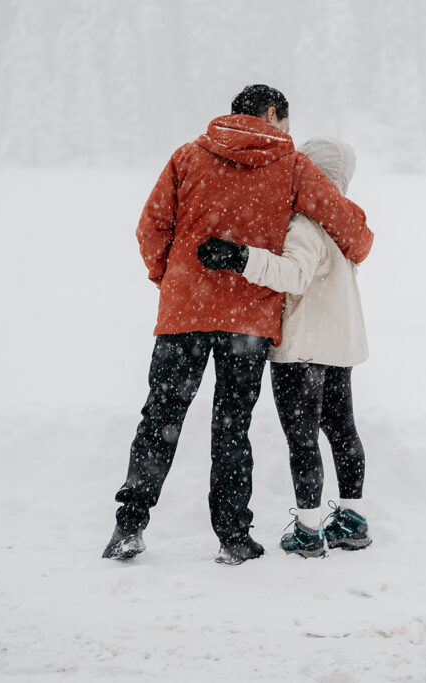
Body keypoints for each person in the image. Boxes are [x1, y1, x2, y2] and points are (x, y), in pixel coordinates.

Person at [103, 86, 374, 565]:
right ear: (273, 114)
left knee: (160, 419)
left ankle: (129, 526)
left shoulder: (187, 156)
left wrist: (171, 280)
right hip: (247, 320)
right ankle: (232, 537)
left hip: (183, 314)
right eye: (285, 125)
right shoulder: (290, 164)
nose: (286, 134)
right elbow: (349, 229)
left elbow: (151, 227)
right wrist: (360, 242)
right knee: (231, 427)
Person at [198, 137, 371, 559]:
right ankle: (352, 520)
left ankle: (308, 532)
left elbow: (293, 275)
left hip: (301, 350)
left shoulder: (307, 222)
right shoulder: (344, 223)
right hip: (339, 344)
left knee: (303, 439)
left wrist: (240, 257)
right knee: (342, 430)